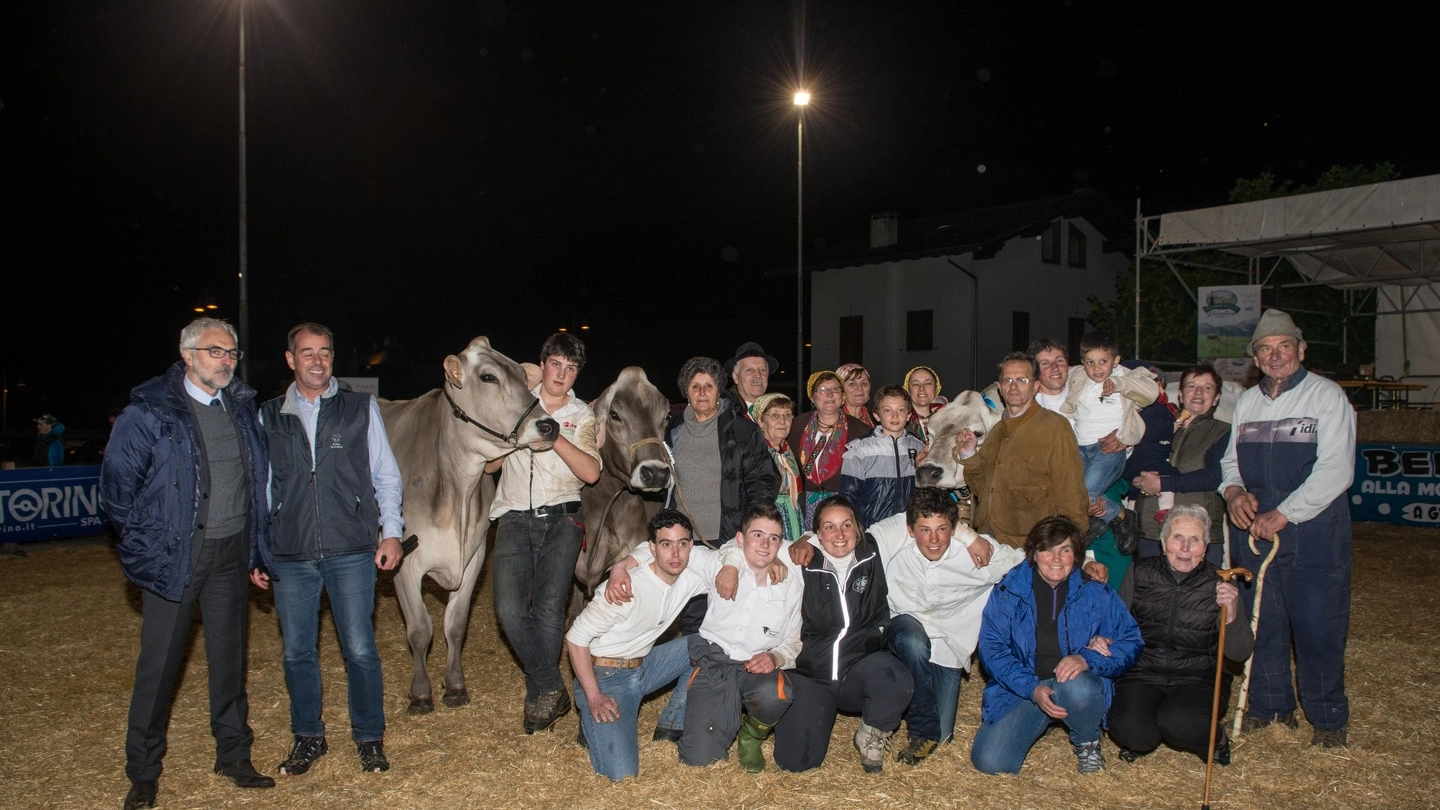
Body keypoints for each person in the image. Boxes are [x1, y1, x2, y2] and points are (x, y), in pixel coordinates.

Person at [101, 317, 274, 810]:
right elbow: (117, 491)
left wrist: (255, 548)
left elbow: (255, 483)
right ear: (188, 354)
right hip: (176, 557)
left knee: (229, 662)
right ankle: (143, 772)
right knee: (158, 669)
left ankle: (234, 755)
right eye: (216, 351)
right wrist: (146, 549)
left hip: (230, 552)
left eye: (232, 353)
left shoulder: (241, 407)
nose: (226, 361)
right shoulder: (151, 412)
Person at [250, 322, 405, 775]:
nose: (316, 361)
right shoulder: (268, 415)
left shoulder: (359, 408)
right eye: (307, 352)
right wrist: (257, 549)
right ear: (290, 359)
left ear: (333, 358)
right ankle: (309, 737)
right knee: (297, 651)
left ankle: (369, 739)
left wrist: (391, 531)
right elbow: (261, 487)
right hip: (290, 553)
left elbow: (386, 475)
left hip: (351, 548)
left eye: (324, 353)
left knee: (360, 649)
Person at [794, 487, 1025, 765]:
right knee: (911, 637)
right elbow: (836, 534)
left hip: (947, 647)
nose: (934, 539)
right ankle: (921, 729)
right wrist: (807, 539)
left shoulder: (974, 553)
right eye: (924, 530)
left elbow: (1030, 561)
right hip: (904, 638)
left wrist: (968, 535)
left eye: (943, 529)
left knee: (944, 739)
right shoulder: (894, 549)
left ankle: (927, 729)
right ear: (911, 530)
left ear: (952, 528)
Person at [1220, 309, 1356, 748]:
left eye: (1283, 346)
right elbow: (1230, 463)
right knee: (1264, 622)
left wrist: (1286, 512)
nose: (1275, 355)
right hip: (1256, 536)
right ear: (1255, 359)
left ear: (1301, 349)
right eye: (1265, 349)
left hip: (1313, 534)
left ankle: (1328, 719)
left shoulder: (1326, 396)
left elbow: (1336, 469)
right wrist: (1235, 493)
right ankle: (1270, 706)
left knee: (1317, 627)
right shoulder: (1248, 402)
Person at [484, 332, 602, 735]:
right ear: (545, 363)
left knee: (550, 610)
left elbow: (590, 472)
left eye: (571, 369)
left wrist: (552, 434)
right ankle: (551, 685)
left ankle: (540, 700)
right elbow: (488, 467)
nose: (562, 375)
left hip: (564, 518)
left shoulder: (583, 414)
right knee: (509, 611)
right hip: (514, 516)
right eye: (556, 364)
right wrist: (520, 428)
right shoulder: (517, 402)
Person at [630, 503, 802, 773]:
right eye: (757, 535)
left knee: (776, 694)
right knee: (699, 758)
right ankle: (713, 710)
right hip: (715, 663)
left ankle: (752, 736)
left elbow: (793, 640)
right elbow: (667, 548)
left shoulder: (791, 583)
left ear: (781, 544)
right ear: (740, 538)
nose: (765, 544)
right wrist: (621, 567)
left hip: (754, 669)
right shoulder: (718, 564)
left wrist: (774, 656)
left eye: (773, 538)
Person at [970, 516, 1141, 775]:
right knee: (991, 762)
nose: (1056, 559)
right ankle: (1039, 716)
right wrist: (1032, 688)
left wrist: (1087, 659)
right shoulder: (1008, 592)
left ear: (1077, 555)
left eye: (1065, 550)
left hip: (1074, 685)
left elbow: (1131, 640)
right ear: (1034, 554)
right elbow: (992, 650)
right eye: (1047, 550)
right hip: (1026, 687)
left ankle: (1087, 741)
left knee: (1075, 683)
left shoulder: (1096, 593)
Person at [565, 510, 711, 781]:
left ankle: (675, 716)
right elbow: (575, 639)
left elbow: (733, 558)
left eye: (682, 543)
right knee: (623, 776)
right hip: (606, 678)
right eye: (666, 544)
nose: (675, 553)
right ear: (652, 549)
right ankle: (591, 715)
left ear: (691, 546)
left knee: (707, 642)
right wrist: (595, 696)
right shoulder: (625, 588)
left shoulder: (691, 576)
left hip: (645, 666)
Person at [775, 495, 914, 774]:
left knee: (896, 679)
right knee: (796, 762)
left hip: (859, 671)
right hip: (812, 674)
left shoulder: (874, 549)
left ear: (858, 528)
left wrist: (969, 537)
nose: (839, 534)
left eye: (846, 525)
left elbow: (917, 517)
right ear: (817, 533)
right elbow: (753, 548)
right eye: (829, 527)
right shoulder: (801, 559)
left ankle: (871, 731)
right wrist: (732, 565)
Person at [1108, 504, 1254, 765]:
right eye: (1178, 537)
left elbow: (1239, 652)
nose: (1185, 548)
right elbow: (1117, 629)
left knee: (1179, 723)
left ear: (1205, 547)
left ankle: (1214, 739)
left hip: (1198, 677)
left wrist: (1231, 615)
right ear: (1164, 543)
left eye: (1194, 539)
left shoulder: (1220, 585)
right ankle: (1143, 738)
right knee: (1131, 730)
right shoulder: (1140, 573)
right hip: (1144, 672)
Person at [954, 353, 1090, 549]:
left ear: (1035, 386)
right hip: (991, 542)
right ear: (999, 388)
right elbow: (983, 490)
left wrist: (1066, 547)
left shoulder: (1054, 427)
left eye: (1022, 380)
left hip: (1032, 546)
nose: (1013, 386)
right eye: (1007, 380)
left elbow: (1071, 494)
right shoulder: (998, 431)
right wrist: (969, 454)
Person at [667, 356, 776, 548]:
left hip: (728, 540)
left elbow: (761, 486)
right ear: (686, 392)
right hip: (680, 541)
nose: (702, 393)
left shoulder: (743, 430)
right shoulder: (673, 430)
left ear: (719, 391)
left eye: (709, 386)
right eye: (695, 387)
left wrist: (751, 532)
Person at [1059, 331, 1157, 544]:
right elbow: (1055, 373)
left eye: (1103, 361)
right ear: (1083, 362)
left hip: (1108, 450)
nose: (1096, 368)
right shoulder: (1079, 376)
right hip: (1080, 447)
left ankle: (1078, 536)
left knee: (1085, 493)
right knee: (1069, 492)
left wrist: (1120, 384)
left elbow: (1152, 391)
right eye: (1090, 362)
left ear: (1116, 360)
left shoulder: (1126, 376)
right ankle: (1117, 514)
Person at [1131, 365, 1231, 565]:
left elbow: (1213, 476)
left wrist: (1163, 484)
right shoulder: (1158, 425)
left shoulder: (1224, 432)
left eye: (1207, 388)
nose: (1198, 392)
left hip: (1199, 536)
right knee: (1152, 594)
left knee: (1200, 595)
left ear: (1217, 397)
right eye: (1192, 386)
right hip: (1152, 533)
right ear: (1180, 394)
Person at [788, 370, 870, 529]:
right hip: (803, 508)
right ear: (812, 397)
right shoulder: (796, 426)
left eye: (835, 389)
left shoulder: (862, 431)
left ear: (842, 395)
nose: (830, 394)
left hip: (844, 509)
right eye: (823, 390)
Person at [839, 385, 926, 526]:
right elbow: (848, 498)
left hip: (909, 528)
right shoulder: (858, 450)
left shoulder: (918, 447)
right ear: (876, 415)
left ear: (909, 415)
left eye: (901, 410)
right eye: (887, 410)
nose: (895, 416)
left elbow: (925, 493)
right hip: (872, 529)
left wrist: (921, 468)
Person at [751, 392, 804, 542]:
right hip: (769, 517)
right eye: (775, 415)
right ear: (761, 421)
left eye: (787, 415)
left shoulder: (789, 450)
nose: (783, 421)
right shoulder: (756, 453)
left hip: (793, 513)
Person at [723, 341, 777, 420]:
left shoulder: (778, 415)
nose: (758, 375)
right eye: (749, 370)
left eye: (762, 370)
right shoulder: (723, 412)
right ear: (736, 377)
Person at [1028, 338, 1071, 415]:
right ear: (1035, 370)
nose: (1055, 367)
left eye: (1059, 360)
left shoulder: (1083, 393)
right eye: (1045, 363)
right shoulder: (1027, 405)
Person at [903, 365, 945, 443]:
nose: (921, 388)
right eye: (916, 384)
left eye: (928, 383)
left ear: (936, 389)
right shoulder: (900, 421)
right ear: (908, 390)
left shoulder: (947, 420)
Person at [836, 362, 875, 428]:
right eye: (852, 384)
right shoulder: (831, 420)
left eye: (864, 383)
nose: (860, 388)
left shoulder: (877, 419)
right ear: (840, 389)